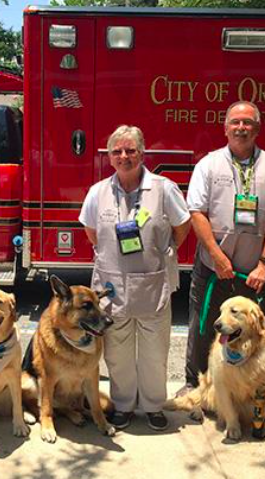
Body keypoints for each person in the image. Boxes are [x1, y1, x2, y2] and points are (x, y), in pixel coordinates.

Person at [79, 125, 191, 431]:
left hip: (152, 284)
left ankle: (154, 406)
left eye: (130, 150)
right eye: (117, 151)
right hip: (112, 288)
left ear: (142, 153)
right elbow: (91, 232)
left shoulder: (163, 188)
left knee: (155, 352)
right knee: (117, 352)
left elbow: (183, 225)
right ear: (110, 156)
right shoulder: (98, 192)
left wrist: (168, 250)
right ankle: (125, 405)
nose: (124, 156)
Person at [180, 101, 265, 397]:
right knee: (203, 328)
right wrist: (217, 257)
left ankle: (260, 393)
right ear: (225, 127)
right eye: (235, 122)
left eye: (247, 123)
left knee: (259, 333)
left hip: (257, 272)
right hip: (214, 268)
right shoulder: (209, 164)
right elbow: (197, 212)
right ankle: (195, 386)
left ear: (257, 128)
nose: (241, 128)